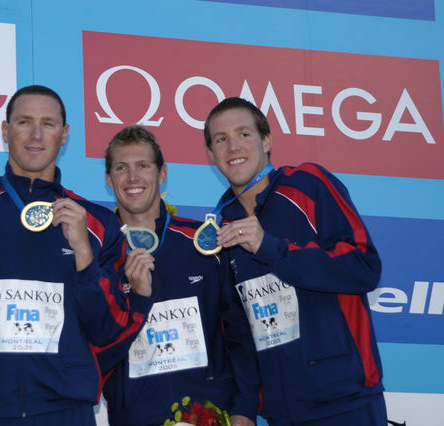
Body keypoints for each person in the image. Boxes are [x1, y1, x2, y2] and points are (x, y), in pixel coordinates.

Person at [0, 86, 152, 426]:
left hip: (66, 408)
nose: (36, 135)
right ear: (5, 131)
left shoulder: (97, 223)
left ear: (64, 135)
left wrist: (83, 254)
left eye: (48, 124)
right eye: (24, 122)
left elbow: (109, 330)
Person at [204, 97, 387, 426]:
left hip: (344, 402)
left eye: (244, 134)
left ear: (267, 140)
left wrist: (270, 248)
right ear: (211, 155)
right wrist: (245, 407)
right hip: (281, 413)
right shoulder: (222, 229)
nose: (233, 147)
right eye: (221, 139)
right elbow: (240, 330)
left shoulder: (306, 183)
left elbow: (364, 267)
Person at [96, 125, 259, 426]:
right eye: (121, 168)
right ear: (108, 179)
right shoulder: (98, 256)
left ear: (162, 173)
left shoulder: (205, 243)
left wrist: (246, 407)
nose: (133, 178)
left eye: (143, 166)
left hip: (209, 415)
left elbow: (240, 331)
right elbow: (94, 351)